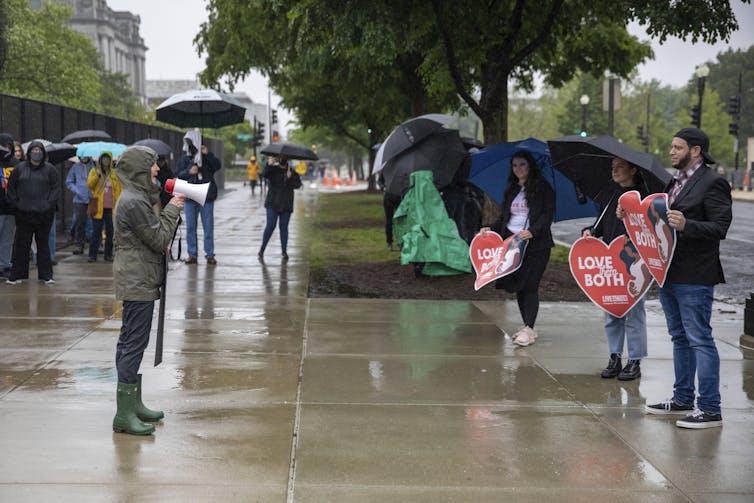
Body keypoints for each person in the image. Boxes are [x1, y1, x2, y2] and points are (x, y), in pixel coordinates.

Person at [634, 128, 732, 429]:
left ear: (696, 151)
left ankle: (711, 409)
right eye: (671, 146)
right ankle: (682, 398)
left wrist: (688, 224)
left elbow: (719, 227)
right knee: (679, 338)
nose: (672, 152)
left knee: (700, 339)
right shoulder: (673, 182)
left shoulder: (713, 182)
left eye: (678, 147)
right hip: (669, 272)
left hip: (695, 275)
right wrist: (633, 217)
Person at [111, 146, 185, 435]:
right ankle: (124, 414)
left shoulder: (135, 197)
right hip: (137, 278)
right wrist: (173, 208)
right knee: (133, 343)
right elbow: (159, 238)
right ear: (141, 169)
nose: (158, 170)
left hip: (137, 275)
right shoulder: (133, 202)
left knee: (131, 340)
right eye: (153, 166)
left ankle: (132, 404)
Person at [476, 151, 555, 347]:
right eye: (515, 166)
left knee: (530, 285)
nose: (518, 169)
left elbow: (547, 216)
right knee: (520, 286)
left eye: (523, 165)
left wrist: (533, 231)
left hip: (536, 246)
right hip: (513, 245)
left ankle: (528, 328)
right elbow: (505, 218)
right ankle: (529, 326)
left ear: (530, 167)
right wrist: (490, 229)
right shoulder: (512, 189)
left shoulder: (543, 188)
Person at [582, 157, 648, 381]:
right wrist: (590, 231)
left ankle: (635, 360)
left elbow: (647, 229)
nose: (615, 171)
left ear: (633, 169)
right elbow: (601, 224)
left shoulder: (642, 195)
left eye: (620, 167)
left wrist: (628, 217)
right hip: (611, 261)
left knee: (634, 312)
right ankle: (614, 356)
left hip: (635, 261)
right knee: (612, 310)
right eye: (613, 167)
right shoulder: (611, 194)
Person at [5, 141, 60, 284]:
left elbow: (55, 189)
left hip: (44, 215)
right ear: (29, 152)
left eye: (39, 150)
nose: (36, 152)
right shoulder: (19, 169)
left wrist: (48, 204)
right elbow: (11, 188)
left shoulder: (50, 170)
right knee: (21, 244)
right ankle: (17, 275)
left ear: (43, 152)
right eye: (34, 150)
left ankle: (46, 275)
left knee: (43, 245)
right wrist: (16, 204)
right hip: (24, 214)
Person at [176, 134, 221, 265]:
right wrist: (188, 172)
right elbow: (178, 175)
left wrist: (206, 155)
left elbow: (217, 166)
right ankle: (192, 254)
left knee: (208, 227)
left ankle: (210, 254)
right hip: (190, 196)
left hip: (206, 195)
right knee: (190, 227)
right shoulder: (185, 159)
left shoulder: (207, 158)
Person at [258, 156, 302, 260]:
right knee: (270, 226)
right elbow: (264, 175)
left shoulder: (292, 172)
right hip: (273, 203)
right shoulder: (273, 170)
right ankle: (262, 249)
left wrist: (290, 177)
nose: (282, 160)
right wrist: (268, 164)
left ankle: (284, 251)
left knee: (284, 227)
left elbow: (298, 185)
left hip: (286, 204)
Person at [86, 151, 121, 262]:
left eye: (107, 159)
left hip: (111, 208)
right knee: (96, 232)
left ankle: (108, 254)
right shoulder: (94, 171)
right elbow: (89, 185)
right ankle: (92, 255)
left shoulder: (114, 174)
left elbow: (119, 189)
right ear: (100, 160)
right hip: (98, 208)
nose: (106, 161)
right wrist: (98, 175)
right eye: (104, 159)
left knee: (110, 232)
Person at [65, 155, 94, 254]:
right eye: (82, 156)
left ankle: (96, 245)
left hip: (93, 199)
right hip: (79, 200)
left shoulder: (94, 166)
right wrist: (77, 190)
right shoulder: (75, 167)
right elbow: (69, 182)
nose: (84, 157)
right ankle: (79, 245)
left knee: (95, 223)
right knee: (80, 223)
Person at [0, 133, 19, 277]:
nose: (6, 149)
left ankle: (5, 265)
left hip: (11, 208)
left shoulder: (15, 164)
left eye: (9, 146)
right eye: (4, 146)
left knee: (7, 238)